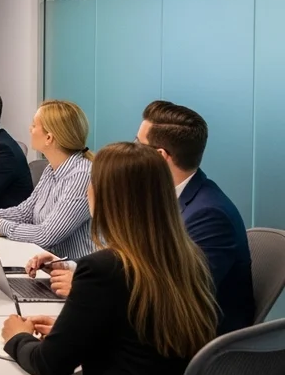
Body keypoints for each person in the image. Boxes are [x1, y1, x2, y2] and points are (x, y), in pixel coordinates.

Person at [0, 142, 217, 375]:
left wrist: (17, 337)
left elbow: (50, 366)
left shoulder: (105, 268)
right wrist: (67, 330)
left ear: (104, 196)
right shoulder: (188, 259)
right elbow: (136, 331)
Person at [25, 101, 255, 334]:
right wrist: (74, 266)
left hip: (189, 345)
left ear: (159, 157)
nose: (131, 150)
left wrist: (89, 290)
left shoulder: (209, 215)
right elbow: (138, 265)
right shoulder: (159, 197)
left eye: (137, 144)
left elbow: (174, 299)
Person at [0, 100, 95, 260]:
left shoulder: (81, 175)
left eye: (34, 125)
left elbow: (47, 235)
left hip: (76, 275)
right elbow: (25, 212)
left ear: (49, 138)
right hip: (47, 264)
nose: (30, 129)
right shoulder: (51, 170)